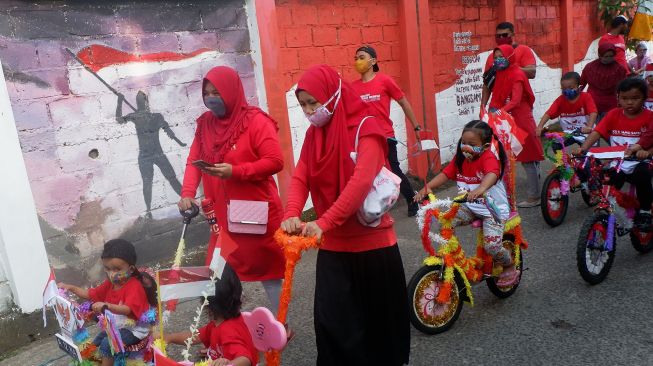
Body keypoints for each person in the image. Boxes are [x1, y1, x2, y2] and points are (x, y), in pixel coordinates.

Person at [280, 65, 410, 365]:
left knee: (378, 335)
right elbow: (302, 177)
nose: (310, 110)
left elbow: (360, 182)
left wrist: (324, 222)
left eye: (314, 102)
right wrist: (292, 213)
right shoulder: (314, 136)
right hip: (333, 249)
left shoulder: (367, 128)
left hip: (373, 249)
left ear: (334, 94)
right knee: (334, 331)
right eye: (303, 104)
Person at [178, 66, 285, 314]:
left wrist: (236, 171)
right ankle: (224, 328)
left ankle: (281, 324)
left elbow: (275, 161)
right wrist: (187, 193)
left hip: (253, 209)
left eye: (217, 92)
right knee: (216, 273)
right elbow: (193, 161)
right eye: (207, 93)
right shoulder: (205, 124)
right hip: (221, 215)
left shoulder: (256, 121)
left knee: (266, 271)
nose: (211, 98)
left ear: (231, 91)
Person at [413, 120, 519, 285]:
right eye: (464, 142)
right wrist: (427, 188)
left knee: (491, 246)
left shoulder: (488, 157)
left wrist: (481, 189)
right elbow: (446, 174)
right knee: (445, 222)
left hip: (493, 211)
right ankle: (454, 257)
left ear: (484, 146)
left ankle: (509, 265)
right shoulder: (460, 159)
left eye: (472, 144)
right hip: (470, 206)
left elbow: (492, 173)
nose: (466, 147)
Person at [58, 239, 157, 366]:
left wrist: (107, 306)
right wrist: (70, 287)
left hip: (134, 330)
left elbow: (127, 309)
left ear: (131, 269)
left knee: (106, 344)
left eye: (117, 269)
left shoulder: (134, 286)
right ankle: (87, 362)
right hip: (117, 327)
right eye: (107, 269)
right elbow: (90, 294)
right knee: (98, 340)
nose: (112, 274)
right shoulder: (110, 283)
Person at [351, 45, 421, 216]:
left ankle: (412, 200)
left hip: (385, 135)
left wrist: (416, 126)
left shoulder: (384, 81)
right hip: (365, 139)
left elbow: (403, 102)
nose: (357, 61)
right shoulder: (352, 87)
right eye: (356, 58)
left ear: (373, 61)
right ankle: (370, 209)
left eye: (361, 57)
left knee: (394, 170)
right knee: (366, 174)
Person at [576, 78, 653, 229]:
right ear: (618, 98)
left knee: (642, 175)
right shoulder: (613, 114)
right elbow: (597, 133)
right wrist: (583, 148)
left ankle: (645, 210)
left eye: (635, 98)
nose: (629, 102)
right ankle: (607, 210)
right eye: (624, 98)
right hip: (619, 162)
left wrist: (646, 152)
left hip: (642, 161)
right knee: (608, 179)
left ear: (644, 97)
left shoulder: (650, 117)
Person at [164, 264, 257, 366]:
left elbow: (245, 358)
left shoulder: (227, 332)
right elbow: (194, 336)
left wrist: (229, 363)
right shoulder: (218, 323)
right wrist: (169, 337)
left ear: (206, 303)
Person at [487, 44, 544, 208]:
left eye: (501, 57)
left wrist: (498, 113)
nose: (498, 60)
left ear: (510, 57)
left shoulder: (517, 73)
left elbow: (516, 100)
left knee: (527, 158)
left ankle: (534, 197)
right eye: (496, 57)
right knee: (503, 157)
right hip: (506, 120)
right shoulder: (500, 74)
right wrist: (492, 113)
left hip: (520, 119)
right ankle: (504, 194)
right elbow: (496, 98)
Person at [116, 90, 186, 219]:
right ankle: (148, 211)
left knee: (171, 178)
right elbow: (119, 120)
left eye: (143, 100)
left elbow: (169, 132)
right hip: (144, 157)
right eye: (139, 101)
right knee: (147, 183)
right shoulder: (135, 117)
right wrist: (119, 101)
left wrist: (180, 142)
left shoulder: (156, 117)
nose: (142, 103)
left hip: (158, 153)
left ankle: (187, 200)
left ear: (147, 102)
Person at [481, 22, 537, 110]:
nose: (501, 38)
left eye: (504, 35)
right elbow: (487, 84)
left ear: (513, 34)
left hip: (519, 103)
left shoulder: (524, 50)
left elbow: (532, 72)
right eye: (498, 36)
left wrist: (511, 69)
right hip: (497, 104)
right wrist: (482, 107)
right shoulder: (492, 57)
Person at [536, 71, 598, 143]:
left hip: (587, 133)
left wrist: (589, 127)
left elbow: (593, 112)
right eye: (563, 89)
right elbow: (548, 113)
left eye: (571, 88)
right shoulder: (560, 100)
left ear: (578, 86)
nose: (567, 91)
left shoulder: (586, 97)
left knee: (589, 151)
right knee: (556, 145)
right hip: (569, 133)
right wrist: (540, 127)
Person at [580, 43, 628, 119]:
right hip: (592, 103)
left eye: (611, 56)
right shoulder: (590, 67)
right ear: (600, 55)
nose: (608, 59)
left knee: (608, 128)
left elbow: (624, 88)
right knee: (592, 128)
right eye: (606, 56)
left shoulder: (620, 69)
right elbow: (581, 84)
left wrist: (624, 102)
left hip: (610, 105)